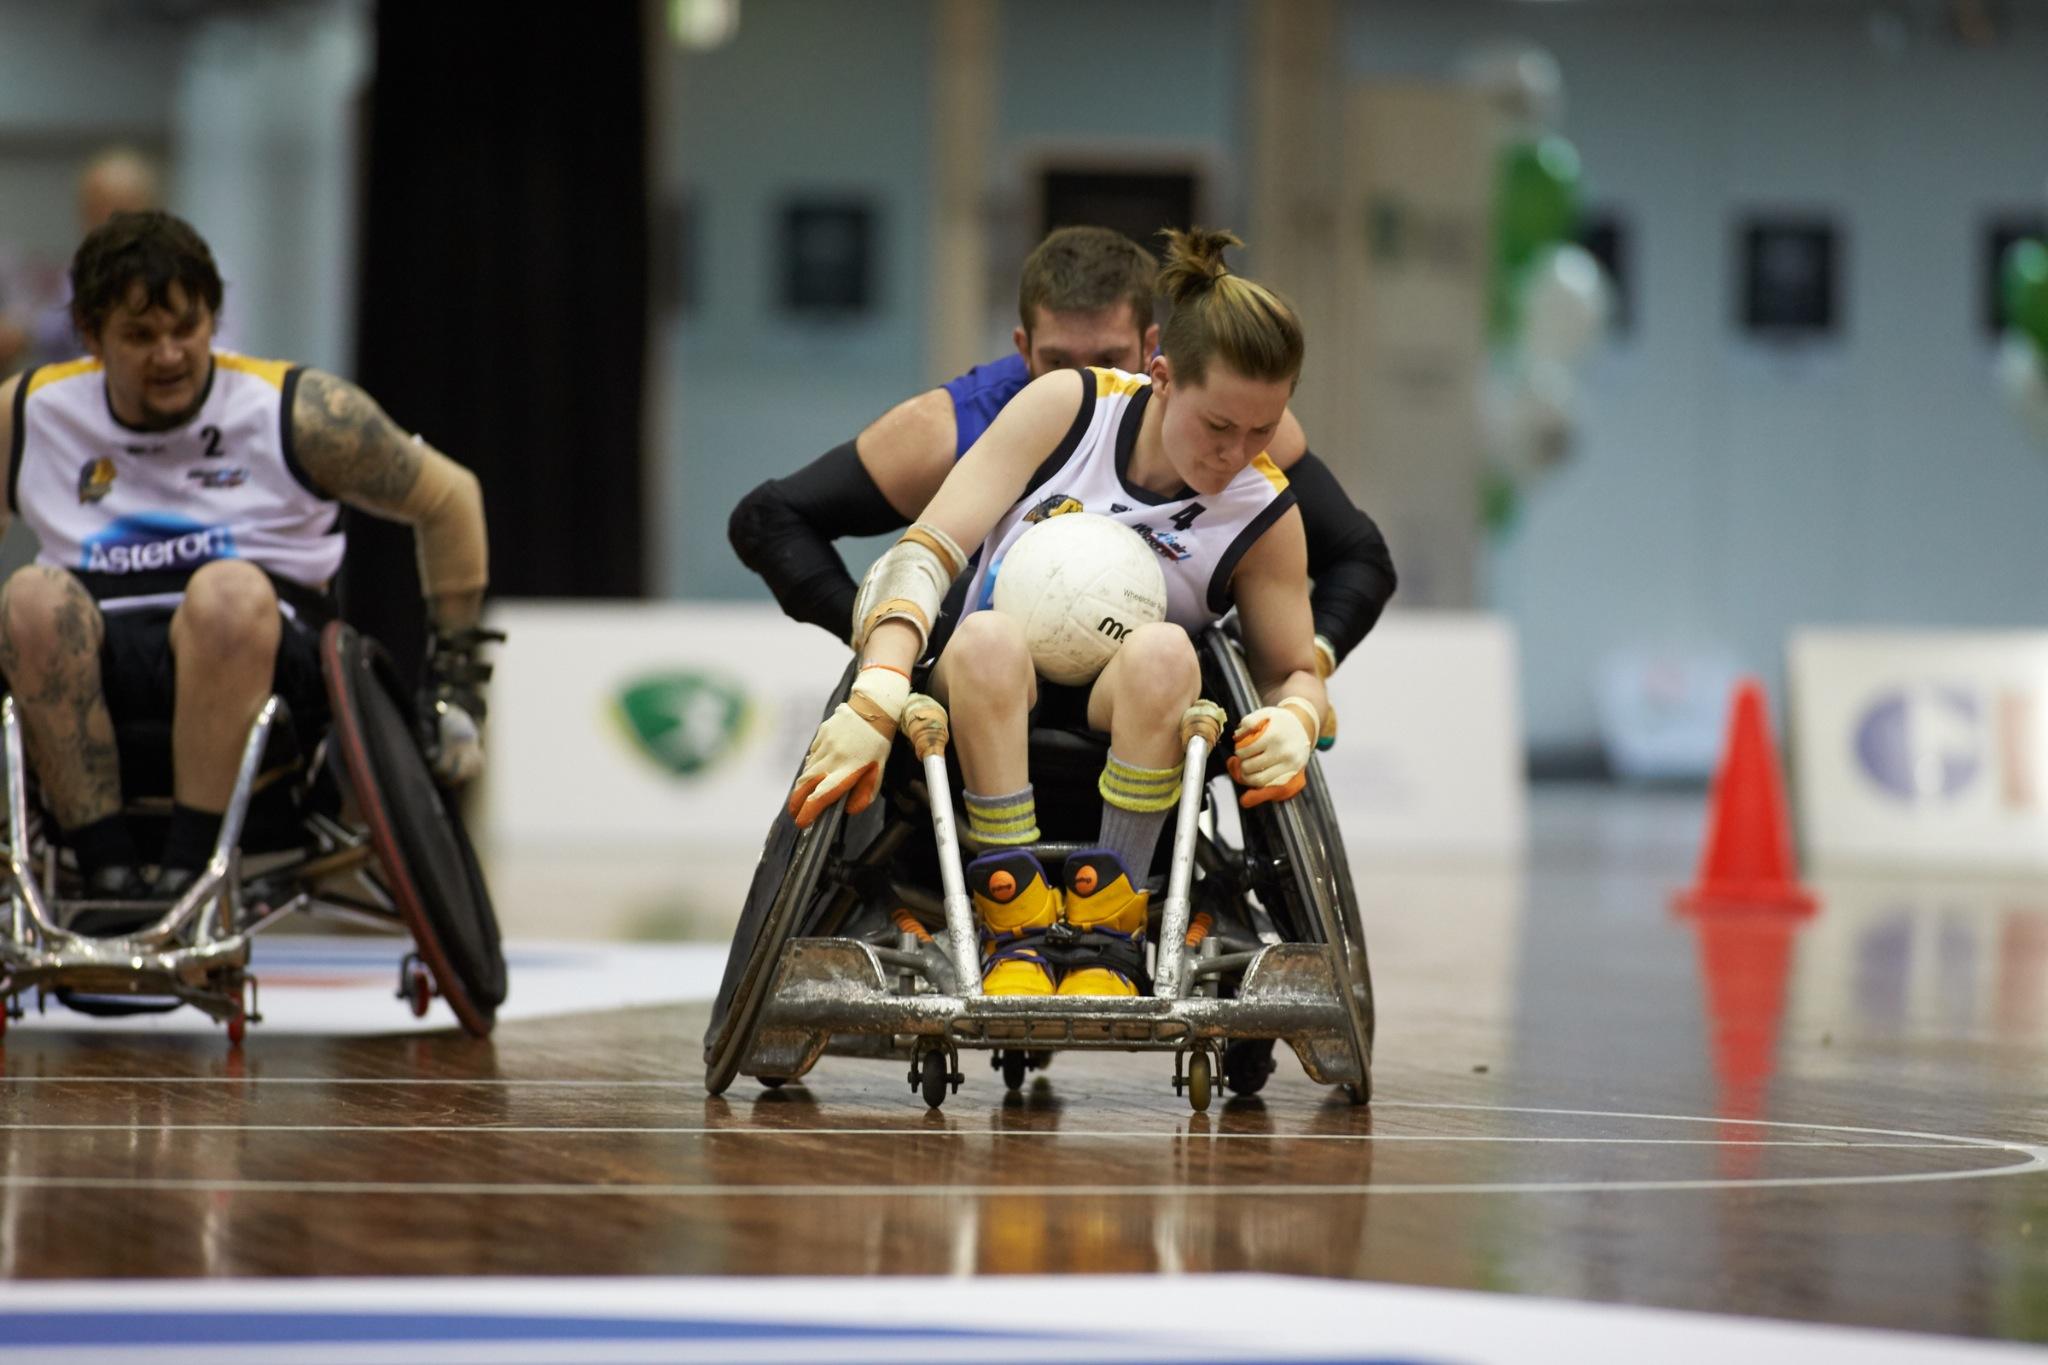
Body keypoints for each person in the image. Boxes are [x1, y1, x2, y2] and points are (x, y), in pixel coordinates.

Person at [786, 228, 1326, 999]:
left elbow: (1295, 670)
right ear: (1162, 376)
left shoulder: (1264, 513)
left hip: (1137, 723)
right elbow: (926, 550)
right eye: (1218, 426)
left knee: (1170, 652)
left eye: (1262, 430)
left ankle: (1111, 923)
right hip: (981, 699)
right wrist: (876, 690)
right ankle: (1015, 918)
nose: (1236, 453)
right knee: (986, 638)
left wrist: (1297, 720)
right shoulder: (1068, 408)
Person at [0, 210, 494, 911]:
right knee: (28, 597)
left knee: (225, 592)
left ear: (213, 318)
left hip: (262, 653)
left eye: (186, 329)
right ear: (90, 337)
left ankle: (190, 870)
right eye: (140, 337)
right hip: (97, 653)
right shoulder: (29, 412)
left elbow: (451, 498)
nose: (169, 354)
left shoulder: (296, 411)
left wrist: (458, 682)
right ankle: (105, 867)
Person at [728, 225, 1395, 718]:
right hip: (984, 662)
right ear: (1023, 350)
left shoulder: (1240, 429)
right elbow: (768, 519)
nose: (1085, 376)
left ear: (1151, 353)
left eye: (1107, 356)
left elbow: (1361, 558)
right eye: (1057, 361)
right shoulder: (955, 427)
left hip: (1144, 690)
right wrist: (887, 635)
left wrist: (1304, 679)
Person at [1, 147, 166, 377]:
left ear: (150, 210)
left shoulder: (186, 276)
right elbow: (40, 328)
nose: (107, 223)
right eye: (96, 209)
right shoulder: (75, 275)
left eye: (120, 209)